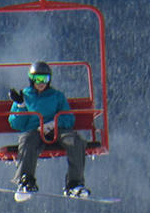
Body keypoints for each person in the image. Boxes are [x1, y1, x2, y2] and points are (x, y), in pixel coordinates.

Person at [8, 61, 90, 199]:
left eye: (44, 79)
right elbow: (17, 124)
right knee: (28, 141)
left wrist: (53, 124)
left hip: (56, 129)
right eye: (37, 79)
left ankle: (74, 183)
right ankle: (25, 181)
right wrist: (20, 105)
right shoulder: (25, 96)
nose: (41, 83)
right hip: (35, 130)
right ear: (31, 79)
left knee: (76, 141)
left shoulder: (56, 96)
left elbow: (68, 118)